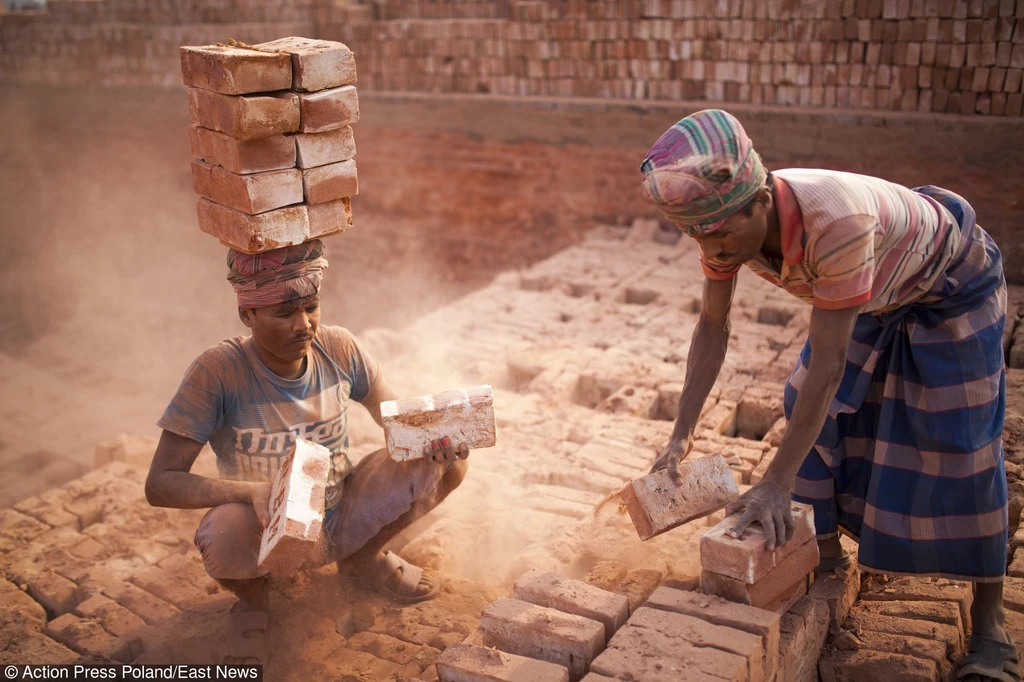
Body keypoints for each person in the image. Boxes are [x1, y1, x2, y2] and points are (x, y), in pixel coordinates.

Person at [642, 109, 1013, 682]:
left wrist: (775, 482)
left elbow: (831, 366)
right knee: (814, 416)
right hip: (875, 289)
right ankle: (819, 557)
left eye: (717, 232)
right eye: (695, 233)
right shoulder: (719, 225)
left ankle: (992, 629)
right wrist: (680, 434)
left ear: (760, 200)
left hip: (950, 284)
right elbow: (713, 327)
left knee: (959, 444)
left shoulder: (834, 222)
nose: (710, 247)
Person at [144, 240, 470, 664]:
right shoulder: (217, 372)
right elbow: (160, 484)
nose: (305, 325)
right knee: (223, 531)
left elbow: (392, 418)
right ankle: (255, 602)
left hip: (343, 506)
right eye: (284, 313)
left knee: (448, 464)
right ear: (247, 314)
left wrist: (434, 437)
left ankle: (362, 560)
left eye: (311, 307)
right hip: (267, 526)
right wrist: (250, 493)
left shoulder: (339, 348)